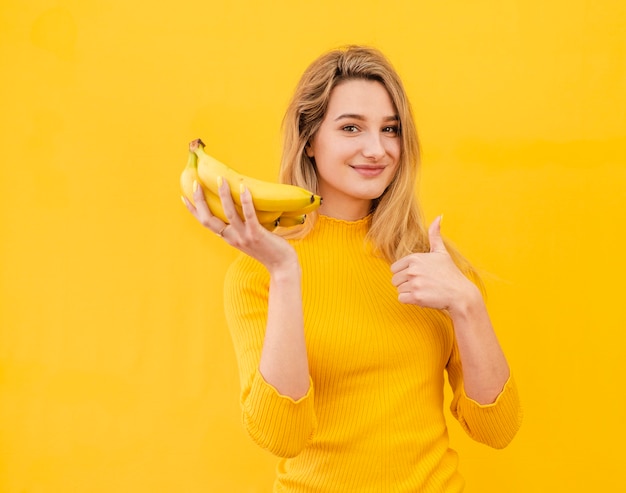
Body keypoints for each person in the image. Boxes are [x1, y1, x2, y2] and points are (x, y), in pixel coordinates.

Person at [182, 45, 522, 492]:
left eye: (390, 129)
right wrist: (286, 273)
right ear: (309, 139)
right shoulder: (257, 276)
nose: (377, 149)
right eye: (351, 128)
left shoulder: (435, 265)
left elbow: (496, 430)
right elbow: (280, 435)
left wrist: (468, 305)